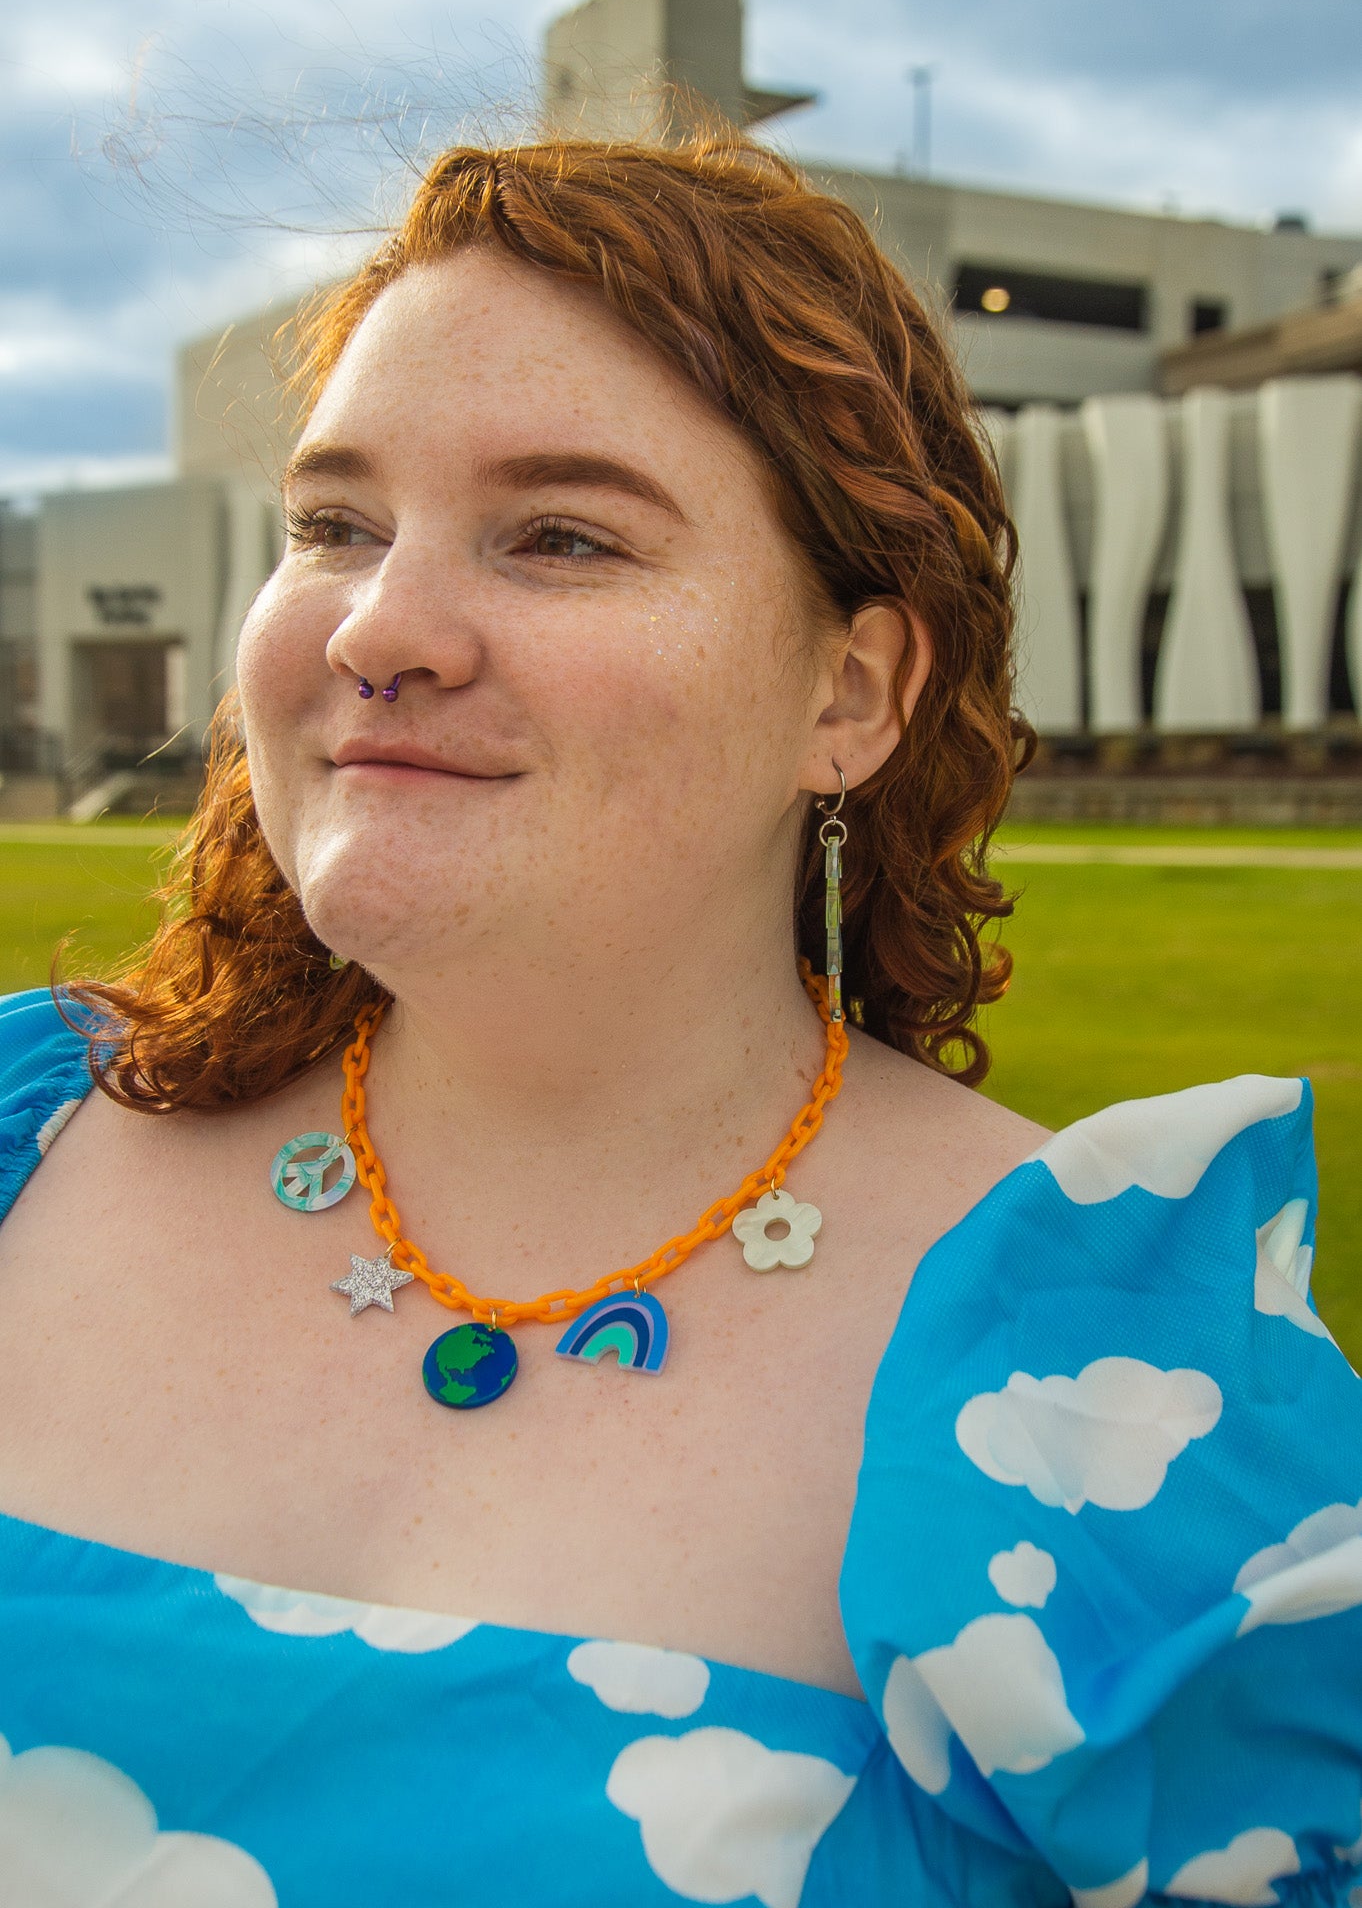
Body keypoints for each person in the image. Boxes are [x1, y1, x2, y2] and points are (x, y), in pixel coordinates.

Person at [0, 136, 1357, 1908]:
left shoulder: (1115, 1410)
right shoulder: (25, 1144)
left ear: (849, 692)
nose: (379, 623)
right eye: (334, 524)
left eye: (560, 534)